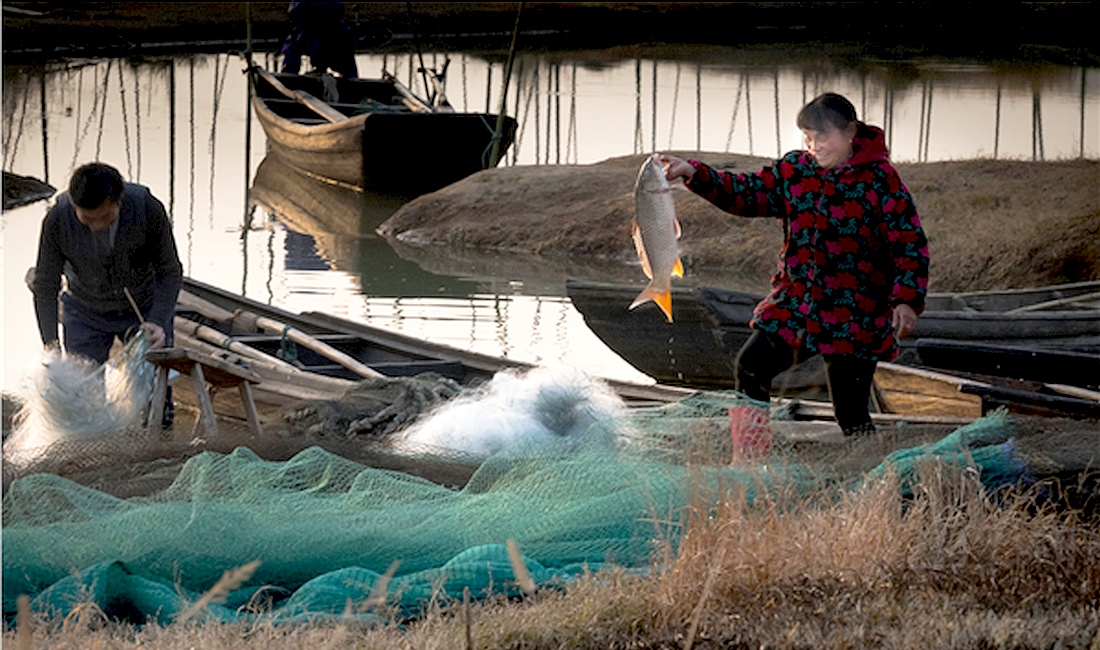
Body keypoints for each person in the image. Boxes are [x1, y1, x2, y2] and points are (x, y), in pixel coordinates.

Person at [662, 92, 930, 439]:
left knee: (850, 413)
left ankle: (871, 469)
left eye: (823, 137)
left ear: (850, 132)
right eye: (808, 137)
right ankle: (750, 459)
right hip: (797, 305)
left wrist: (906, 300)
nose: (814, 146)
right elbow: (746, 193)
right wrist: (692, 173)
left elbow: (909, 242)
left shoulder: (881, 180)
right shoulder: (794, 170)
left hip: (855, 313)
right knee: (751, 367)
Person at [31, 162, 183, 427]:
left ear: (119, 200)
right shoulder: (57, 219)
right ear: (74, 205)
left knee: (155, 398)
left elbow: (169, 271)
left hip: (142, 309)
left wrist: (158, 321)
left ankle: (160, 442)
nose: (97, 226)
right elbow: (46, 284)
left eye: (105, 217)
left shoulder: (147, 208)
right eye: (87, 219)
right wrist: (50, 345)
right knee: (83, 398)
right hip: (84, 311)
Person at [279, 2, 359, 79]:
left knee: (294, 50)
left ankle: (289, 77)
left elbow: (294, 11)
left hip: (316, 28)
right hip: (327, 28)